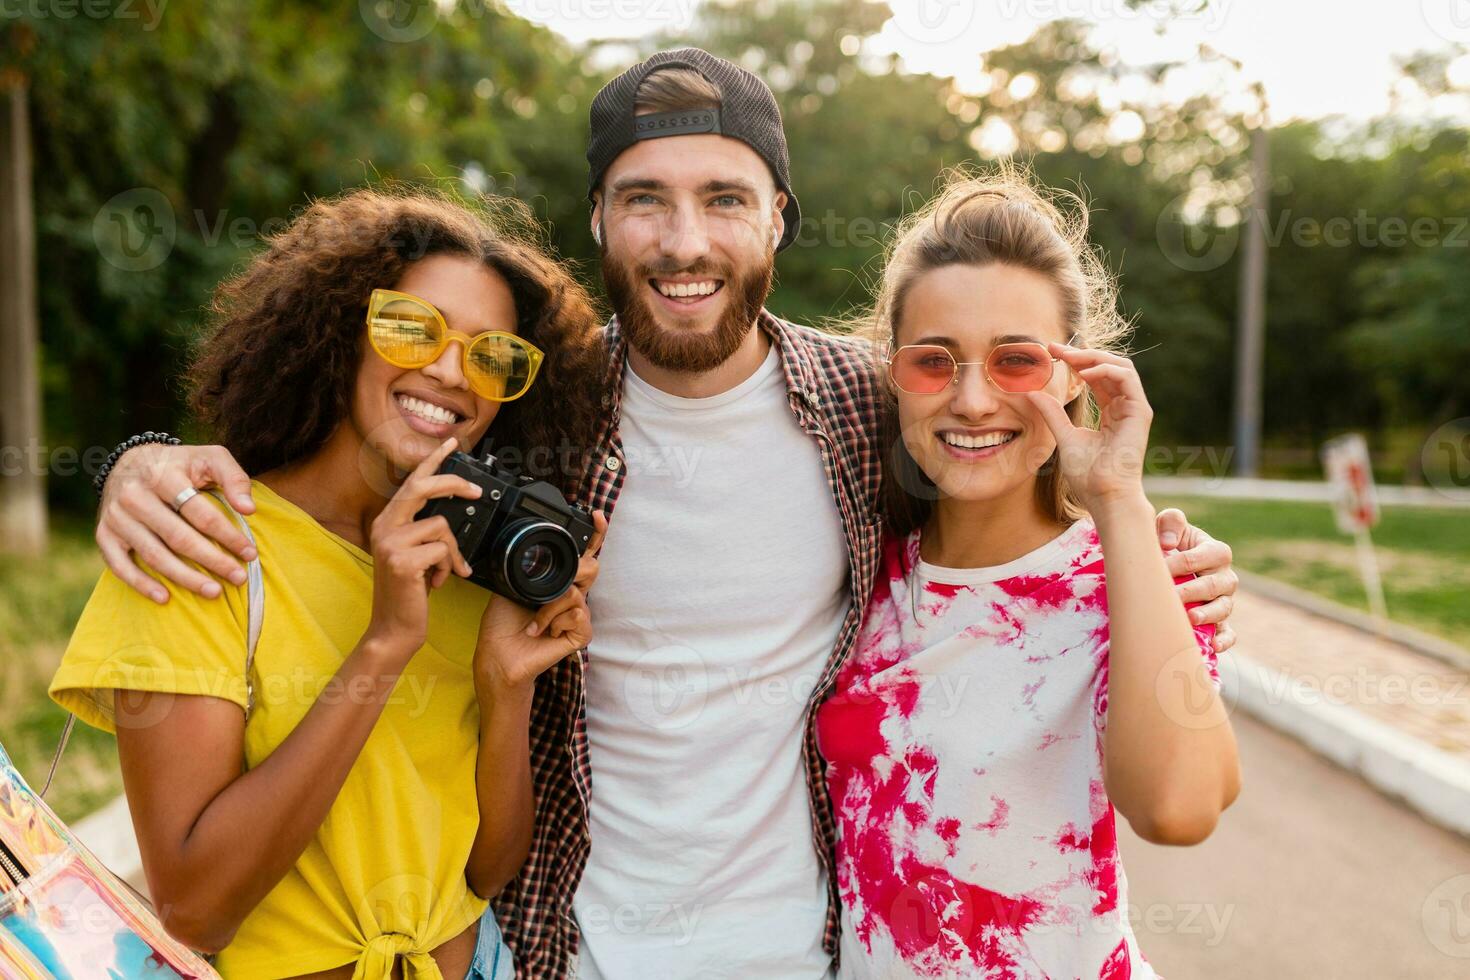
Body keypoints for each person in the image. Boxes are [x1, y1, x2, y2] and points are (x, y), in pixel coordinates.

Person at [86, 50, 1241, 979]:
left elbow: (1000, 456)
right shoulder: (530, 413)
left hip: (814, 947)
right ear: (599, 218)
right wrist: (144, 461)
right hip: (563, 948)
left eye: (724, 198)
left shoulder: (862, 400)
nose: (685, 240)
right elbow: (344, 450)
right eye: (646, 199)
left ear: (778, 219)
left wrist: (1146, 536)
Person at [51, 188, 609, 979]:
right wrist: (385, 643)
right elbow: (196, 905)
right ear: (339, 331)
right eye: (412, 329)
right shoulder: (202, 545)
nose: (451, 370)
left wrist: (503, 686)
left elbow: (486, 872)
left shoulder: (470, 571)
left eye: (493, 356)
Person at [816, 167, 1241, 979]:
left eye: (1016, 361)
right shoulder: (861, 569)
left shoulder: (1134, 579)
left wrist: (1117, 498)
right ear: (894, 376)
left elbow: (1179, 808)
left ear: (1073, 377)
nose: (972, 400)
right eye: (933, 362)